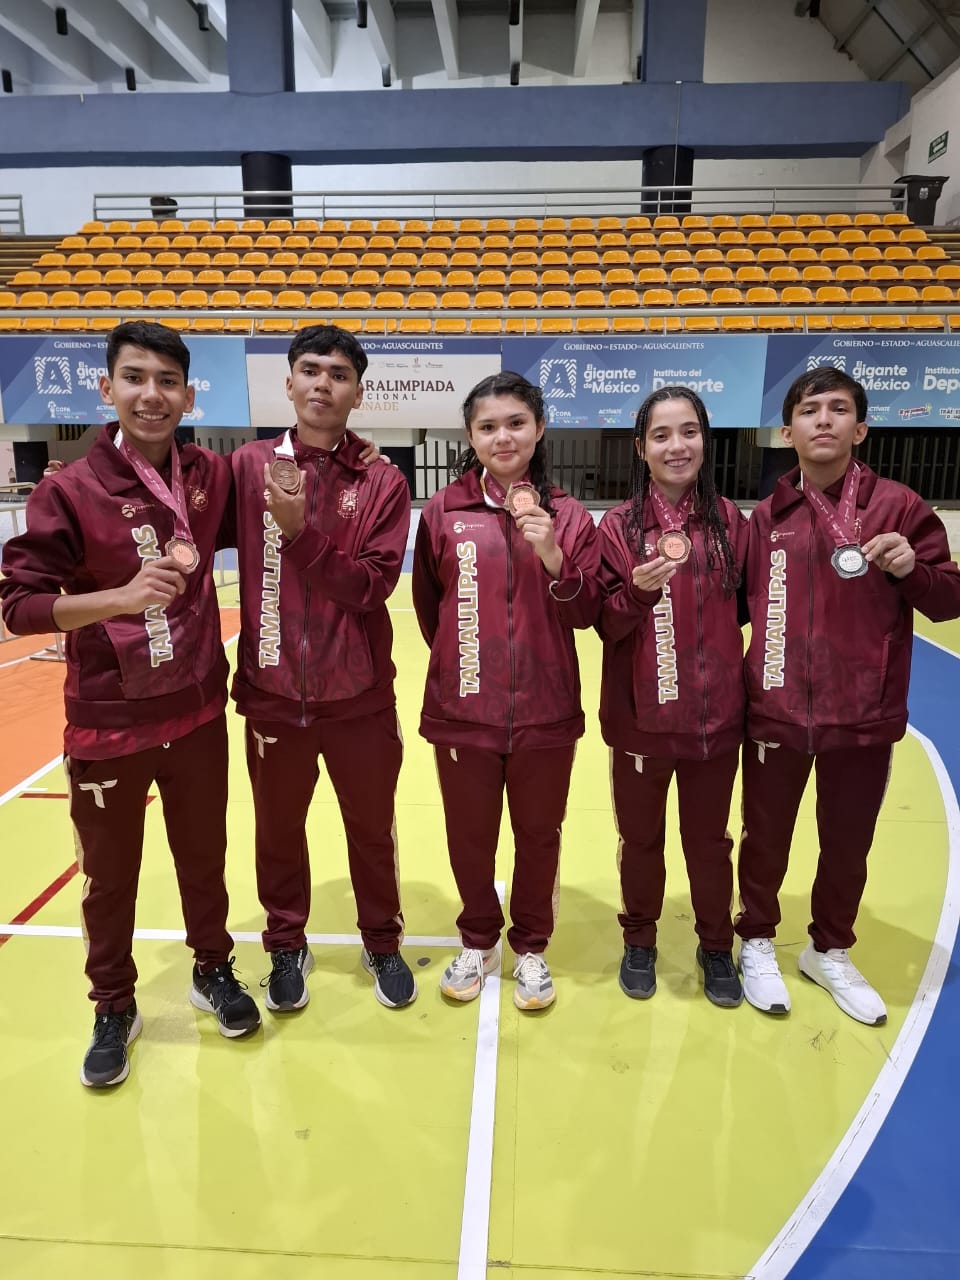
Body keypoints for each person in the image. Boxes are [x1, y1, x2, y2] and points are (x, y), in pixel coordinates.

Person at [0, 321, 260, 1089]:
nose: (152, 395)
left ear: (188, 394)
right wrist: (116, 596)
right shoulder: (69, 490)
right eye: (135, 378)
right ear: (106, 388)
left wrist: (354, 457)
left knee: (204, 859)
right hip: (109, 723)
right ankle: (113, 1004)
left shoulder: (208, 474)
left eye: (167, 381)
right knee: (110, 880)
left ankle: (212, 968)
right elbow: (19, 606)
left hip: (199, 712)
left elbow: (280, 490)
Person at [737, 365, 960, 1025]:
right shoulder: (766, 516)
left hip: (863, 711)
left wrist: (912, 570)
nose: (824, 420)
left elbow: (948, 598)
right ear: (787, 431)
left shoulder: (899, 508)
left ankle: (829, 948)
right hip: (775, 709)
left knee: (847, 842)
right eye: (810, 410)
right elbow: (737, 608)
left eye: (838, 409)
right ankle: (756, 939)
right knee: (764, 836)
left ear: (860, 429)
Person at [230, 324, 417, 1012]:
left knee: (371, 829)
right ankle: (286, 944)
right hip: (273, 695)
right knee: (278, 832)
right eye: (310, 370)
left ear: (357, 393)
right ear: (288, 383)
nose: (322, 384)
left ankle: (382, 940)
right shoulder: (247, 467)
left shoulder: (382, 480)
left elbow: (371, 586)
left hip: (358, 698)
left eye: (339, 375)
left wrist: (299, 533)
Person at [412, 372, 602, 1011]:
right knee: (469, 835)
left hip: (547, 712)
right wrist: (463, 663)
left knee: (539, 835)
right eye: (488, 426)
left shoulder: (568, 515)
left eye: (516, 423)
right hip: (464, 709)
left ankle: (532, 947)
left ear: (539, 429)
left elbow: (587, 612)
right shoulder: (443, 512)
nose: (503, 437)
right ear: (470, 436)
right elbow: (429, 607)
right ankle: (477, 939)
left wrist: (553, 556)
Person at [597, 386, 747, 1007]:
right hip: (642, 723)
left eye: (688, 432)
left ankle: (716, 946)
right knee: (641, 842)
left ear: (705, 440)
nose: (676, 446)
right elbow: (603, 623)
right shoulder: (617, 526)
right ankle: (640, 940)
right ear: (641, 448)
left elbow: (744, 609)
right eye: (661, 435)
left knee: (709, 844)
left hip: (715, 723)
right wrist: (635, 593)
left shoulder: (731, 521)